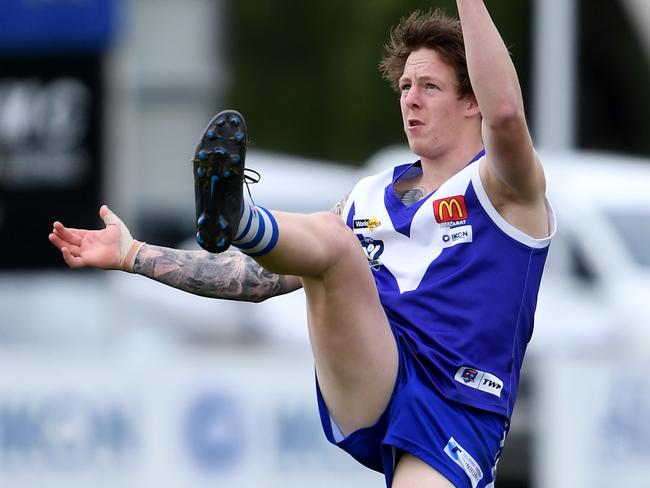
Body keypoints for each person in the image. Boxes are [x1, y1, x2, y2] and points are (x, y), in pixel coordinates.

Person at [49, 2, 555, 487]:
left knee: (334, 242)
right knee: (333, 242)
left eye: (430, 86)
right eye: (404, 85)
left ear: (472, 102)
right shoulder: (368, 194)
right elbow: (256, 280)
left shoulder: (505, 189)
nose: (410, 98)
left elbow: (507, 115)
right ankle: (238, 215)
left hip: (459, 406)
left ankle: (241, 215)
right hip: (375, 375)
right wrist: (134, 254)